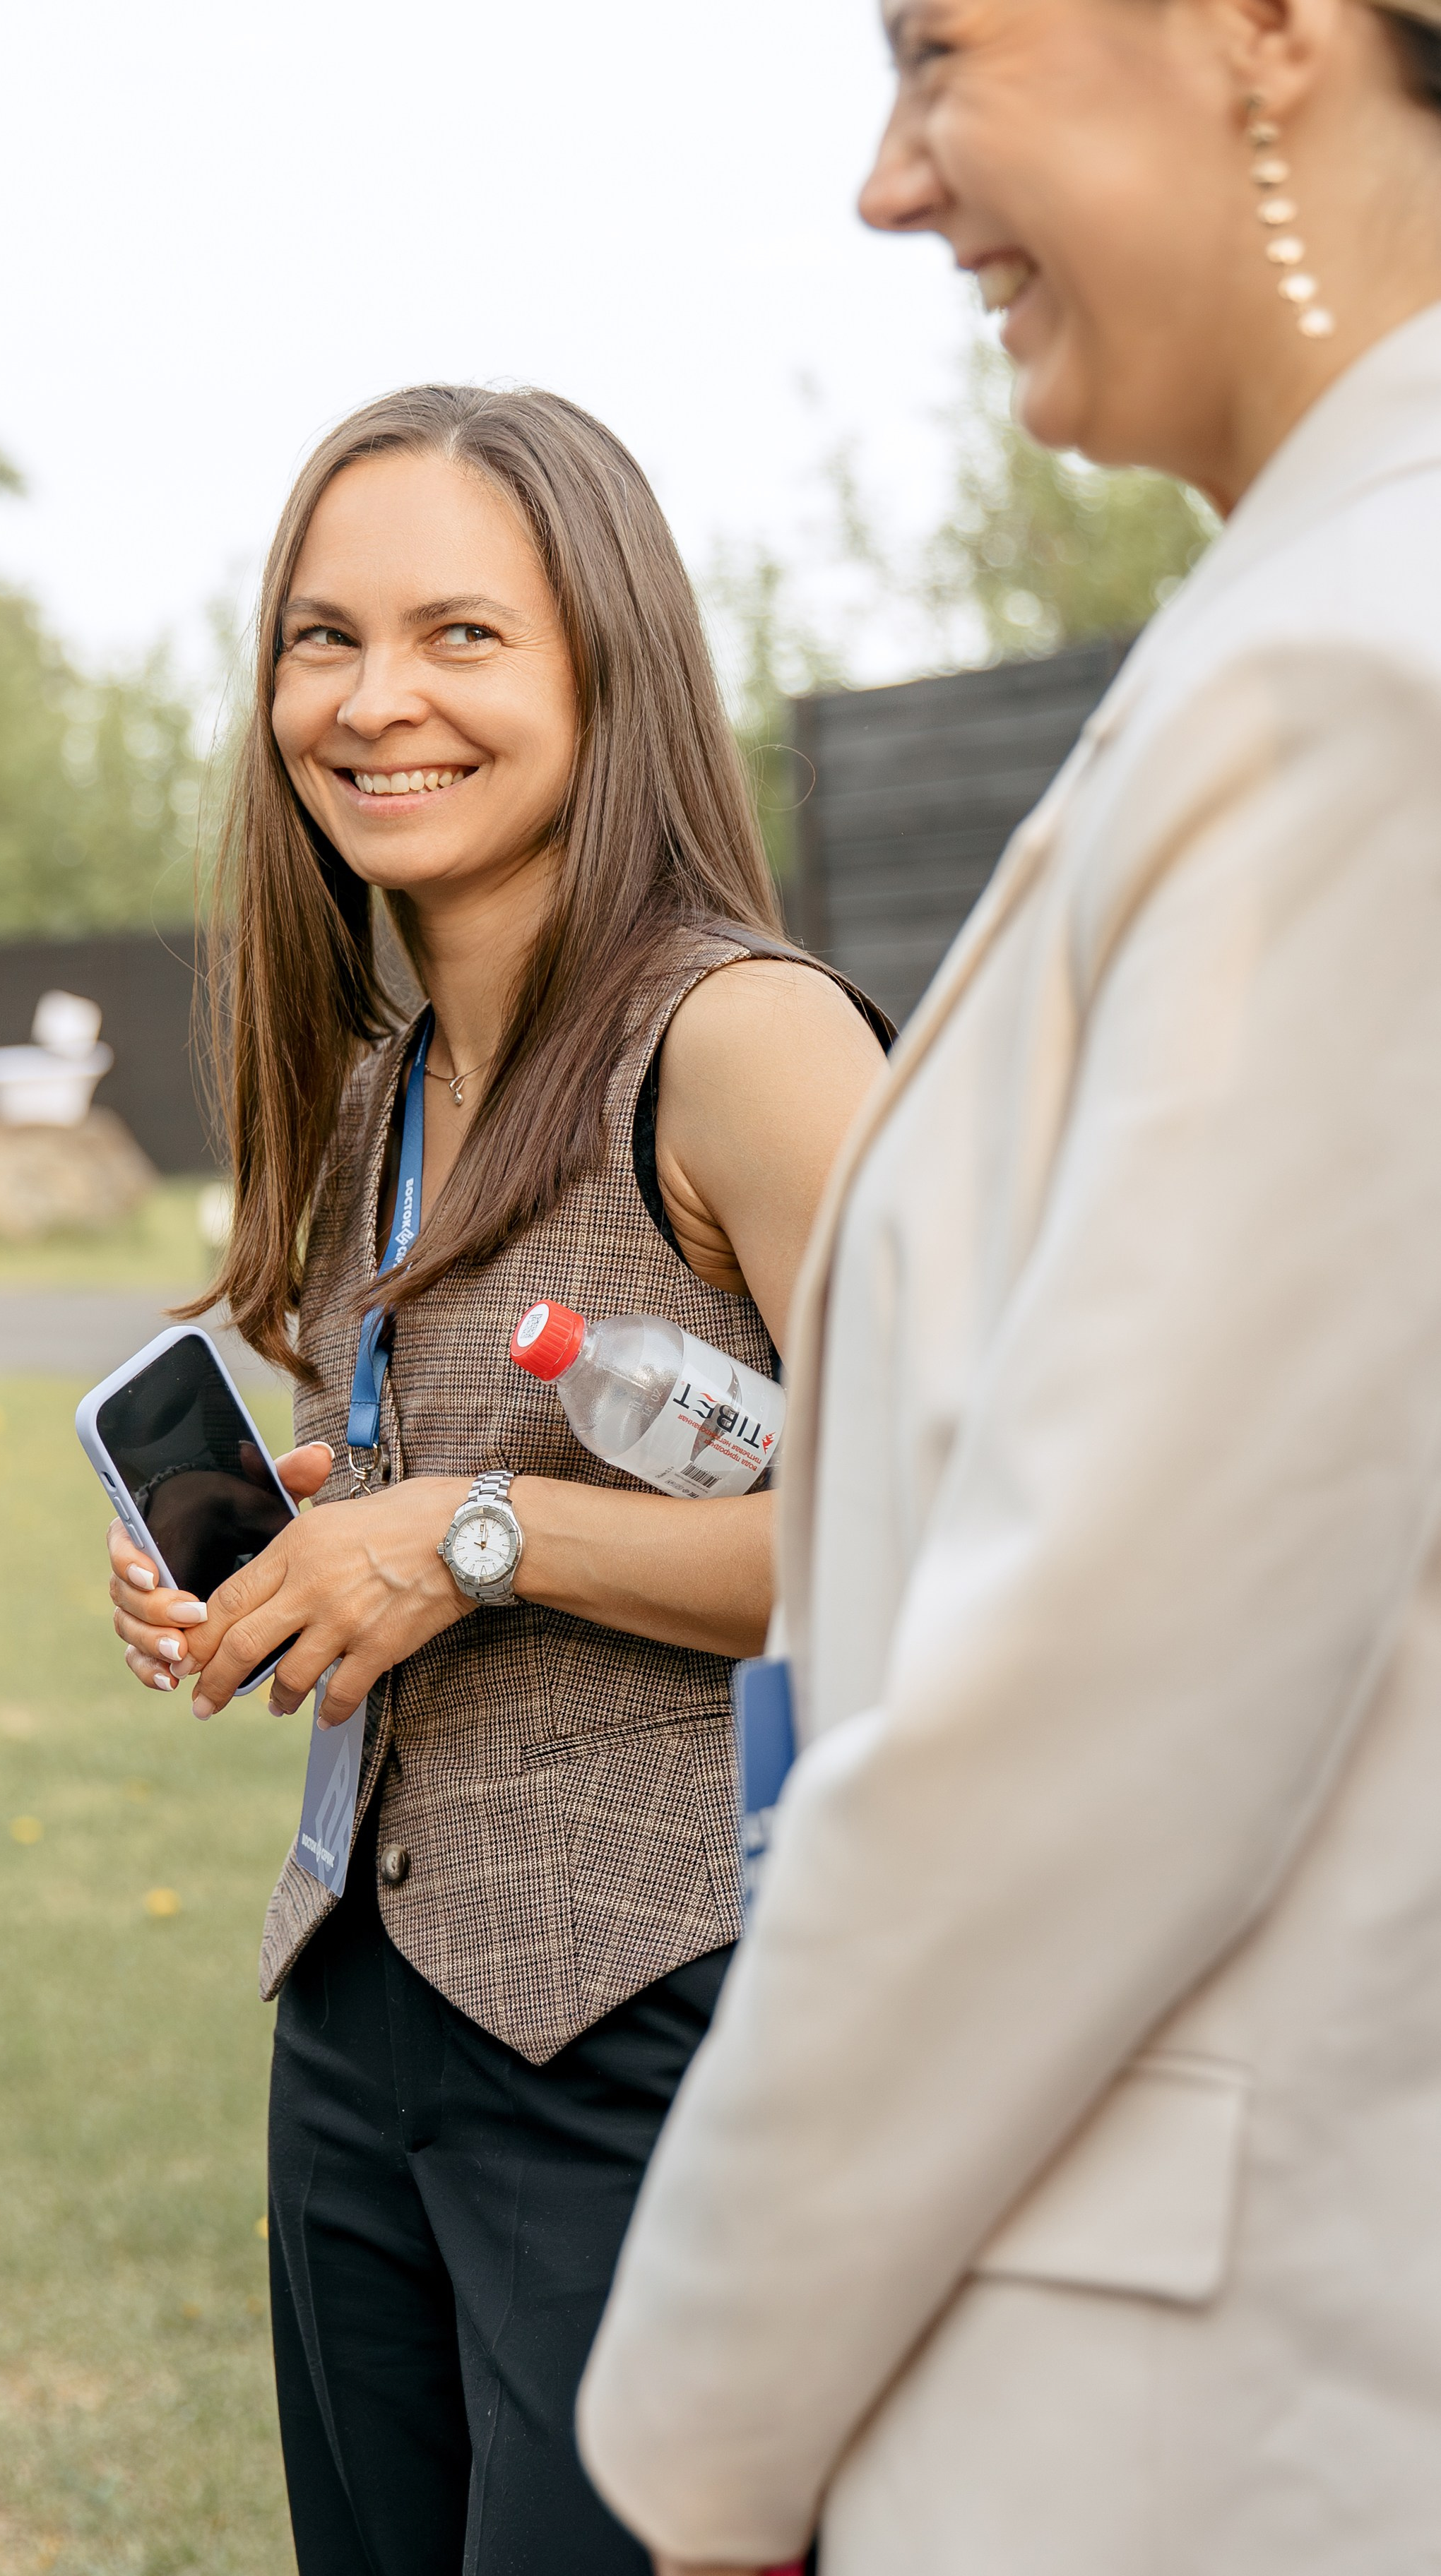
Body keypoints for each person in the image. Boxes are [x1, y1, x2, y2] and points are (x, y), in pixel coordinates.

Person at [576, 0, 1441, 2568]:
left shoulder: (1351, 689)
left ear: (1272, 31)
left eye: (939, 53)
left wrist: (700, 2439)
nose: (886, 179)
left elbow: (1085, 1704)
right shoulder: (1303, 624)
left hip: (1175, 2404)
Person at [102, 383, 889, 2575]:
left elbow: (955, 1518)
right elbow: (447, 1468)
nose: (374, 703)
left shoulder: (741, 1038)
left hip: (661, 2024)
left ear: (602, 671)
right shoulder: (381, 1090)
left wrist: (476, 1535)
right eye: (319, 638)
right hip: (357, 2014)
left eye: (461, 634)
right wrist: (302, 1536)